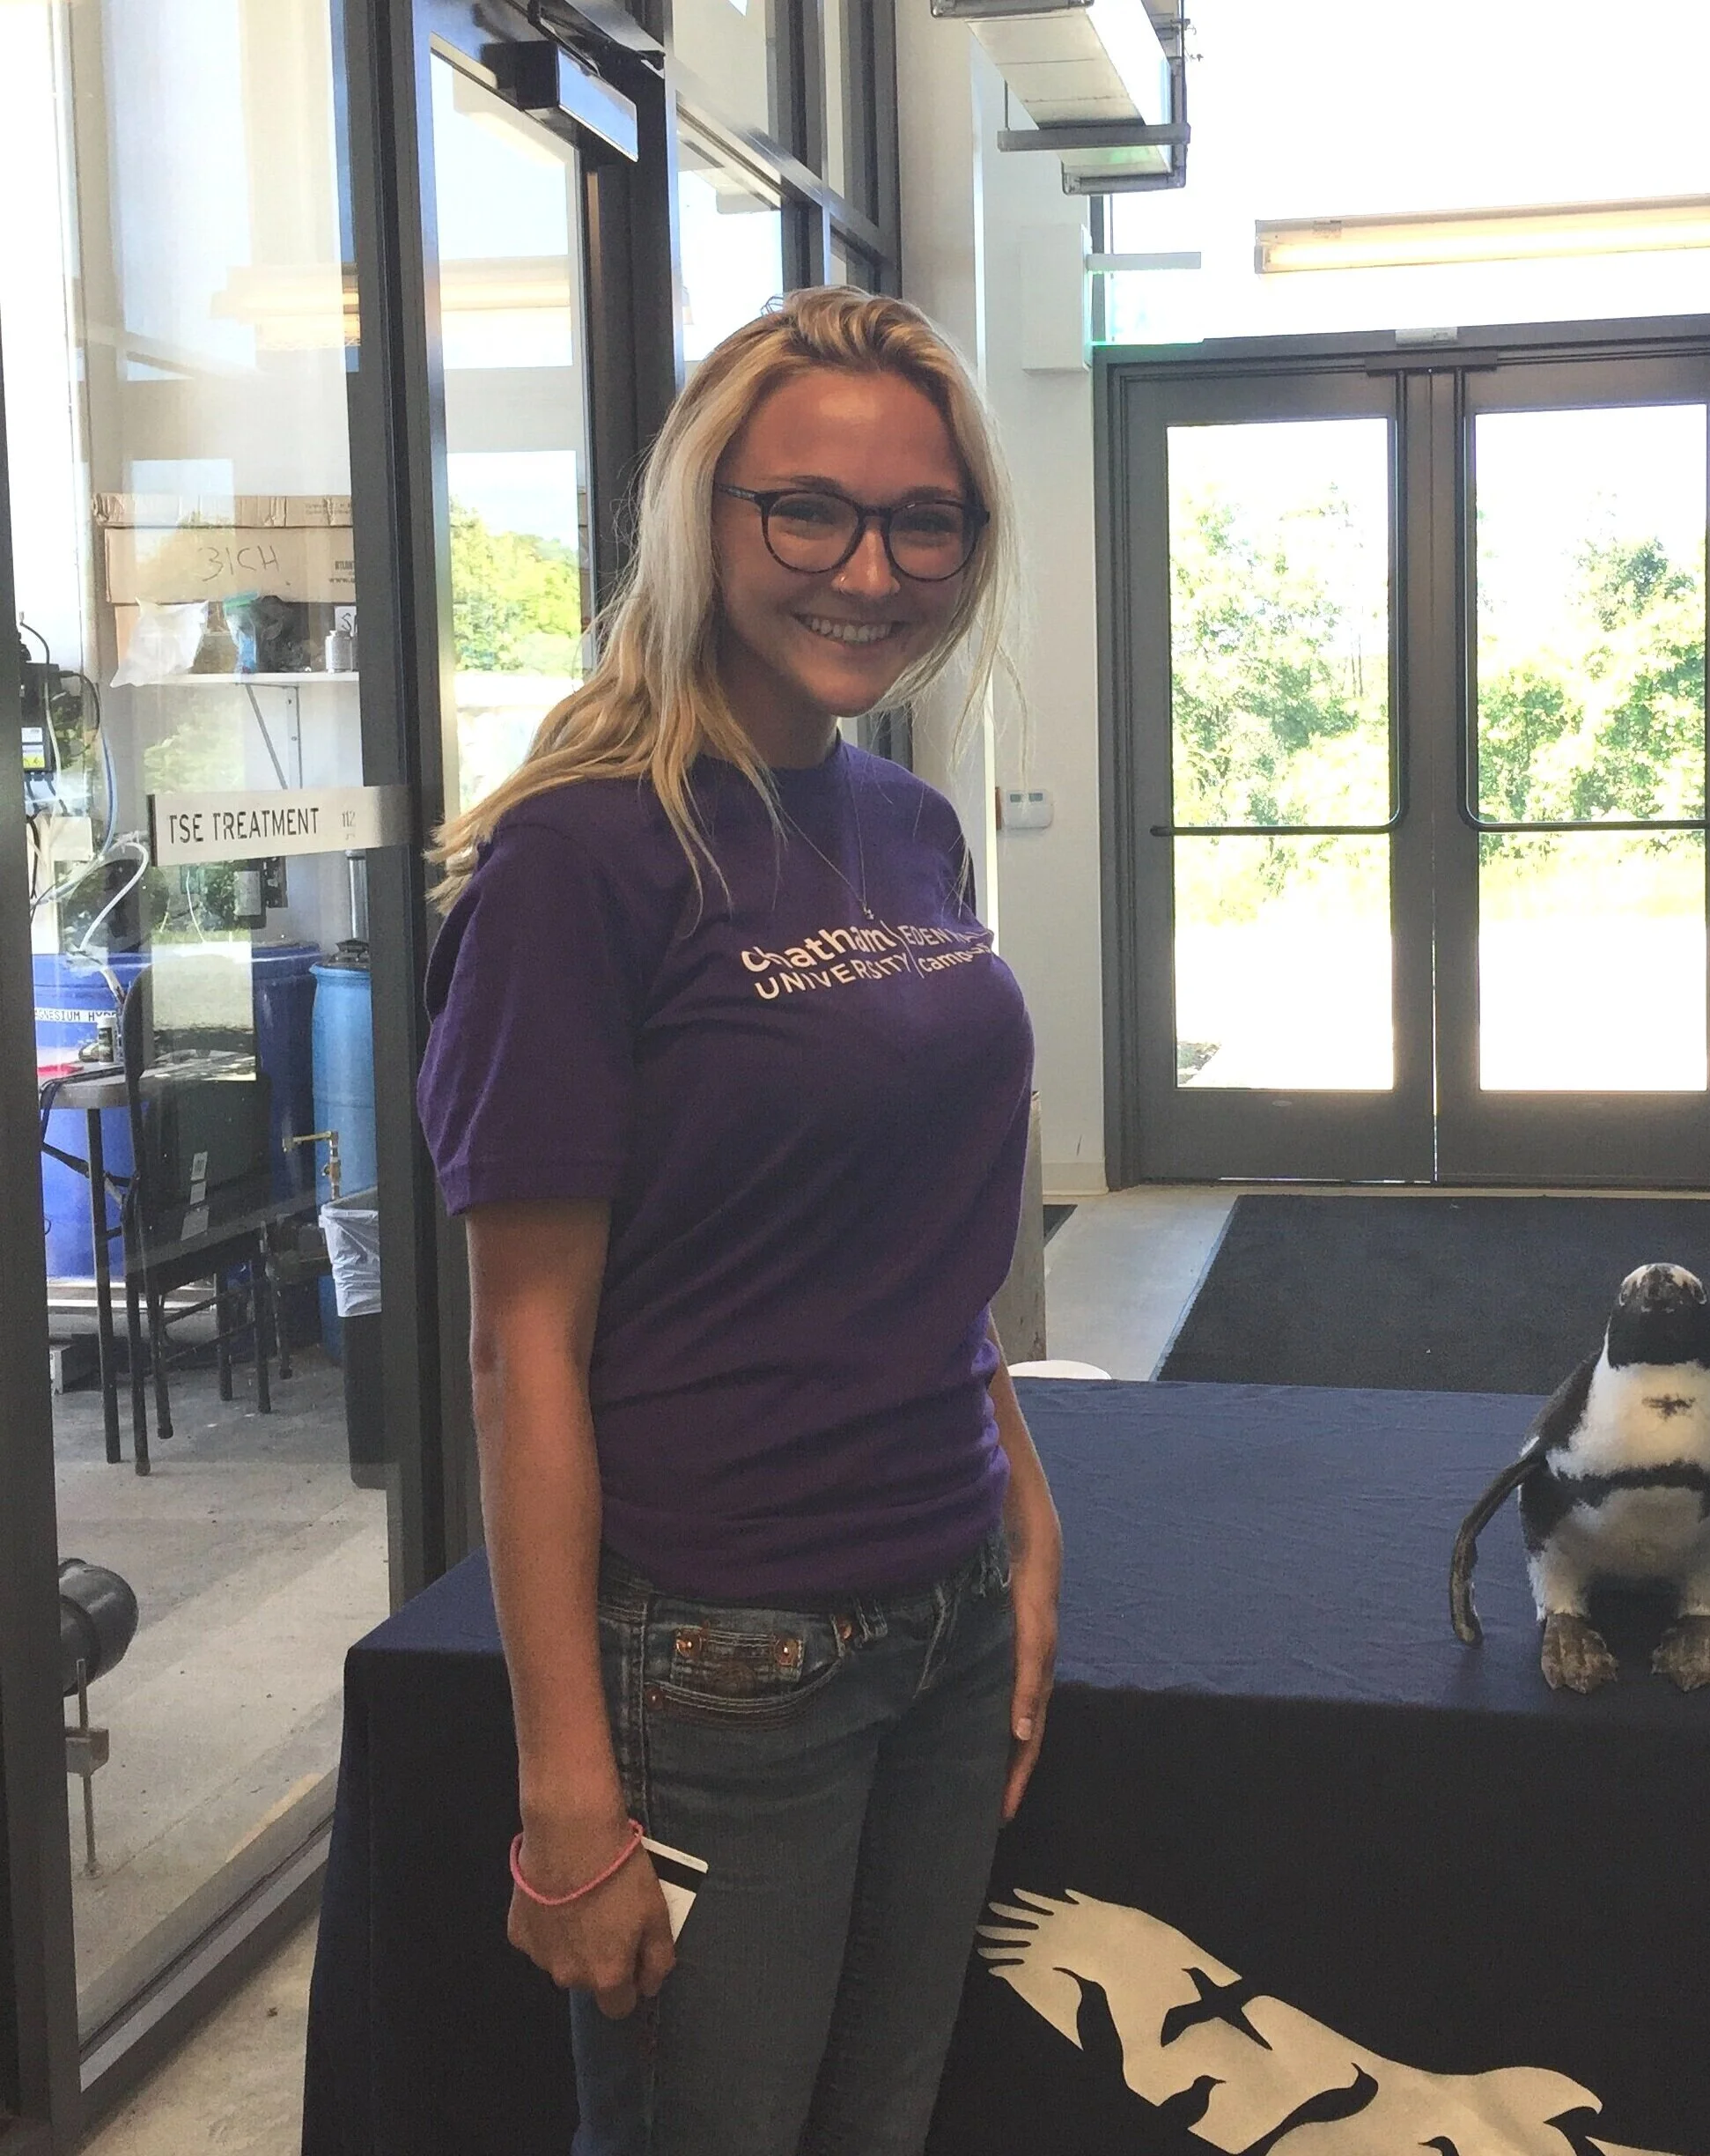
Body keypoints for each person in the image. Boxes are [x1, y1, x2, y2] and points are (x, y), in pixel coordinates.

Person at [416, 287, 1060, 2156]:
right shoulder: (580, 856)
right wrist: (565, 1790)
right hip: (720, 1655)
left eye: (923, 522)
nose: (869, 570)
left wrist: (1020, 1512)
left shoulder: (908, 826)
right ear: (701, 518)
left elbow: (921, 1251)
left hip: (946, 1612)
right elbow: (522, 1348)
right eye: (808, 511)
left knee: (883, 2125)